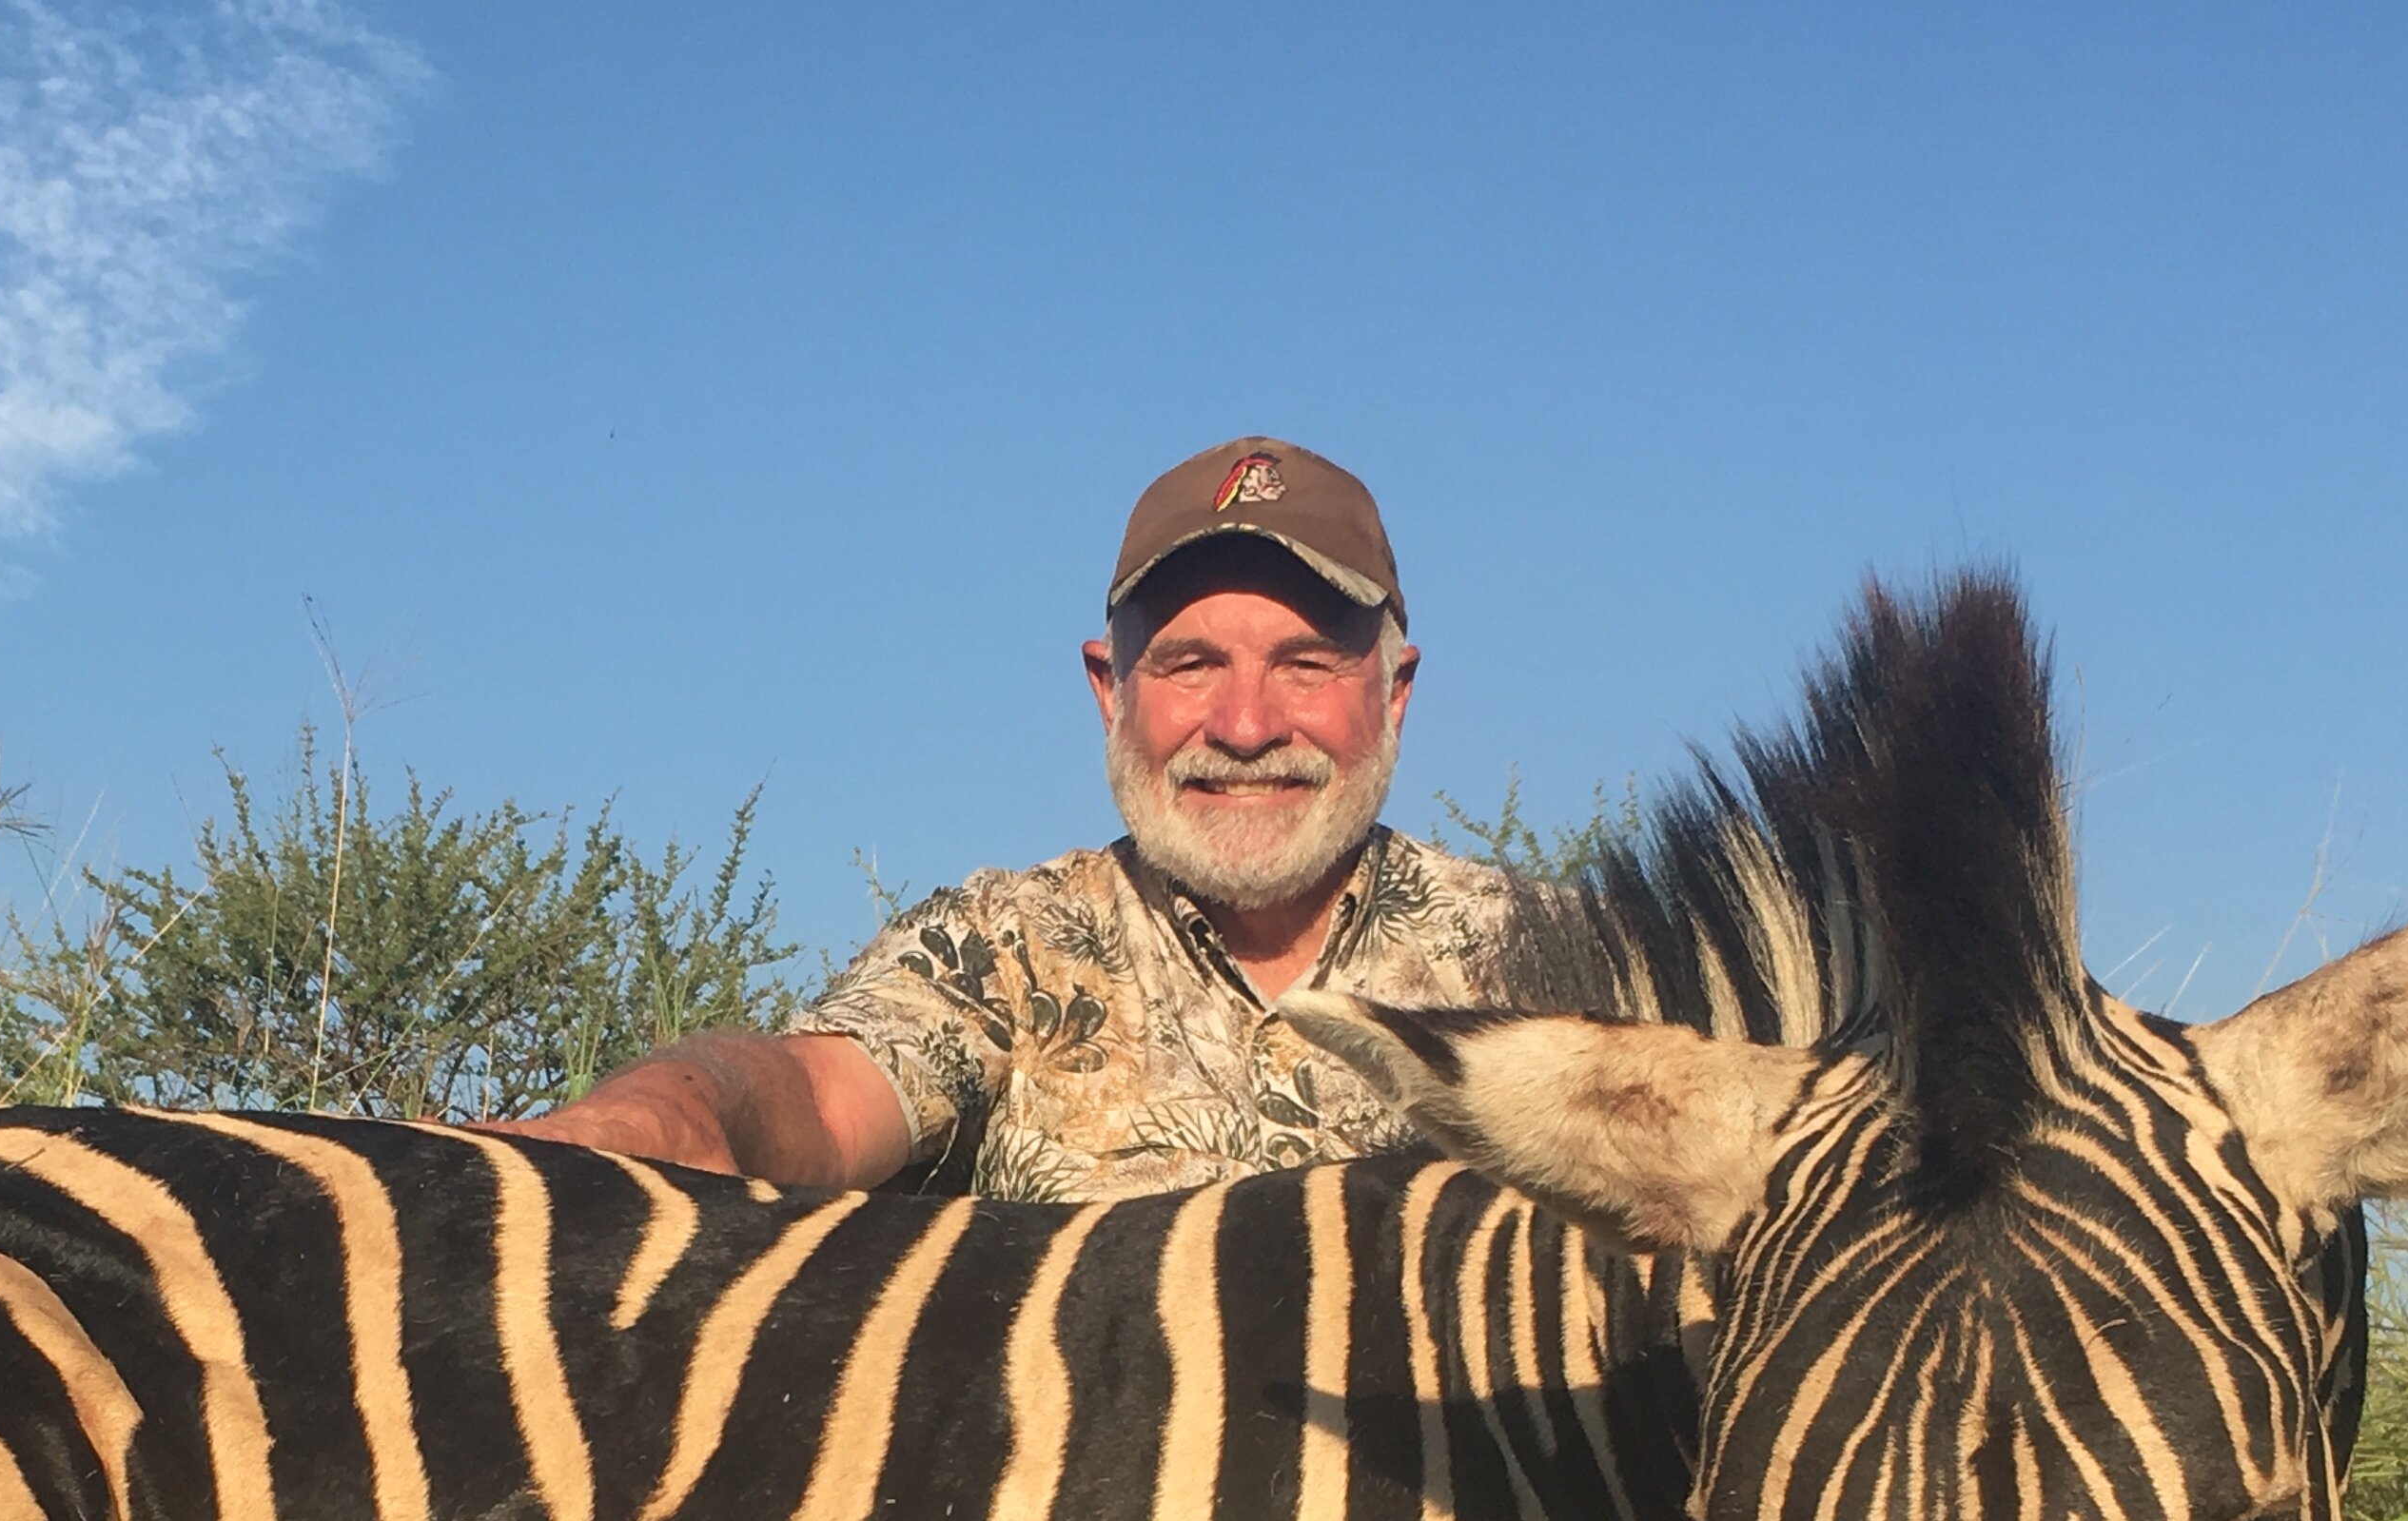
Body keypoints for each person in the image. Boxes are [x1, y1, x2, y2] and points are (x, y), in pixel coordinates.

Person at [502, 437, 1600, 1197]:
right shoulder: (1009, 949)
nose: (1247, 722)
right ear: (1108, 690)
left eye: (1305, 665)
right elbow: (825, 1102)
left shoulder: (1572, 968)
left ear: (1395, 693)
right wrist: (670, 1112)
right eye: (1189, 664)